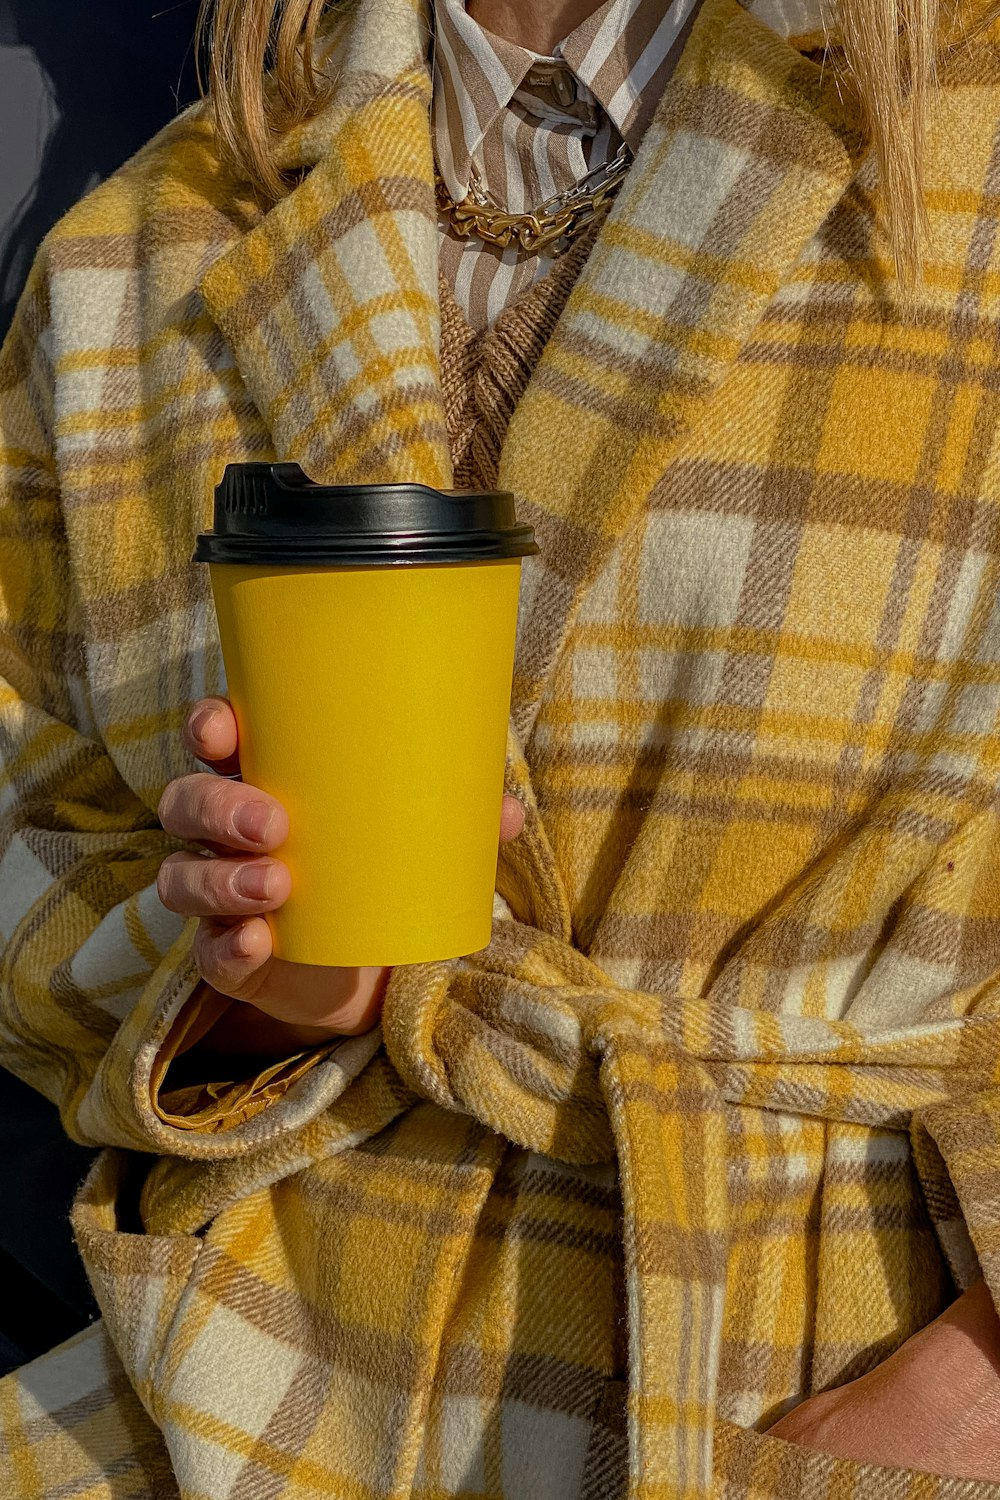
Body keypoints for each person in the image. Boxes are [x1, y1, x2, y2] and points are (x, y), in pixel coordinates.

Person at [1, 0, 999, 1492]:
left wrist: (977, 1383)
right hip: (271, 1392)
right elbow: (35, 830)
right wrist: (252, 992)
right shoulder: (144, 248)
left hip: (832, 1349)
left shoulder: (964, 148)